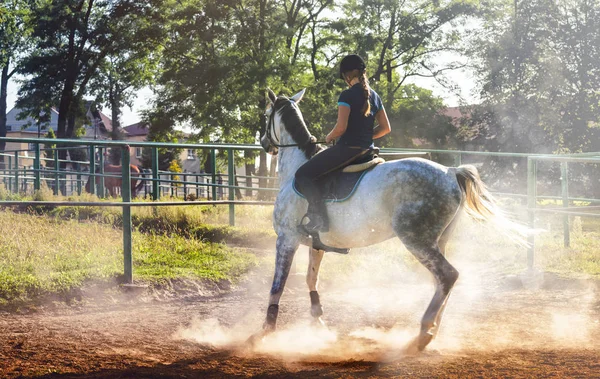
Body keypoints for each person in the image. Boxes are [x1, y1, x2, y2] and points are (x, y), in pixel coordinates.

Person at [295, 54, 391, 233]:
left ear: (347, 76)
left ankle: (319, 218)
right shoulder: (375, 97)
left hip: (347, 150)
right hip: (367, 151)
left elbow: (340, 128)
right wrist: (367, 136)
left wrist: (330, 136)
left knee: (302, 174)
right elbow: (386, 128)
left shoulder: (347, 95)